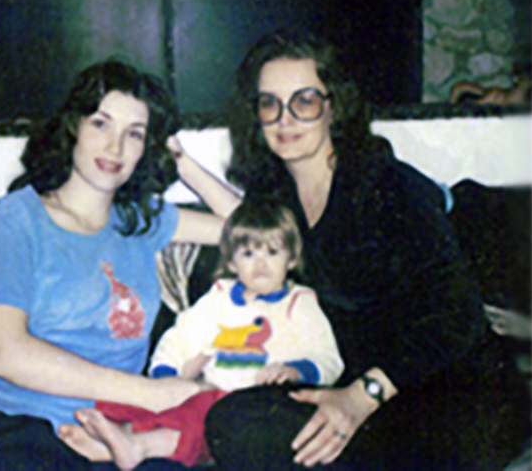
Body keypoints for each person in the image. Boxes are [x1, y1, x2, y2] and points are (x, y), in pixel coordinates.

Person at [169, 30, 531, 471]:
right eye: (270, 104)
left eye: (304, 101)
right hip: (352, 392)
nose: (285, 119)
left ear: (334, 106)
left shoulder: (388, 185)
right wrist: (181, 171)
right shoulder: (276, 196)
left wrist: (363, 396)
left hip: (447, 389)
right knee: (232, 421)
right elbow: (244, 229)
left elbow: (458, 316)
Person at [0, 60, 228, 470]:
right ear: (74, 126)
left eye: (134, 134)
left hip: (112, 435)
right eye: (101, 124)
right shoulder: (19, 218)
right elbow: (4, 353)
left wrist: (183, 163)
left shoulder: (142, 220)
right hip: (5, 419)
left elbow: (259, 231)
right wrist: (151, 393)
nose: (115, 147)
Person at [58, 199, 344, 469]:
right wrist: (167, 374)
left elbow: (327, 357)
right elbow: (181, 337)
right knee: (151, 402)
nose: (260, 264)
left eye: (272, 252)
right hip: (207, 390)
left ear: (291, 258)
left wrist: (296, 371)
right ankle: (111, 443)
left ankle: (137, 446)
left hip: (257, 407)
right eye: (248, 254)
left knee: (197, 419)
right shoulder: (218, 298)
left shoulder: (299, 304)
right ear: (231, 262)